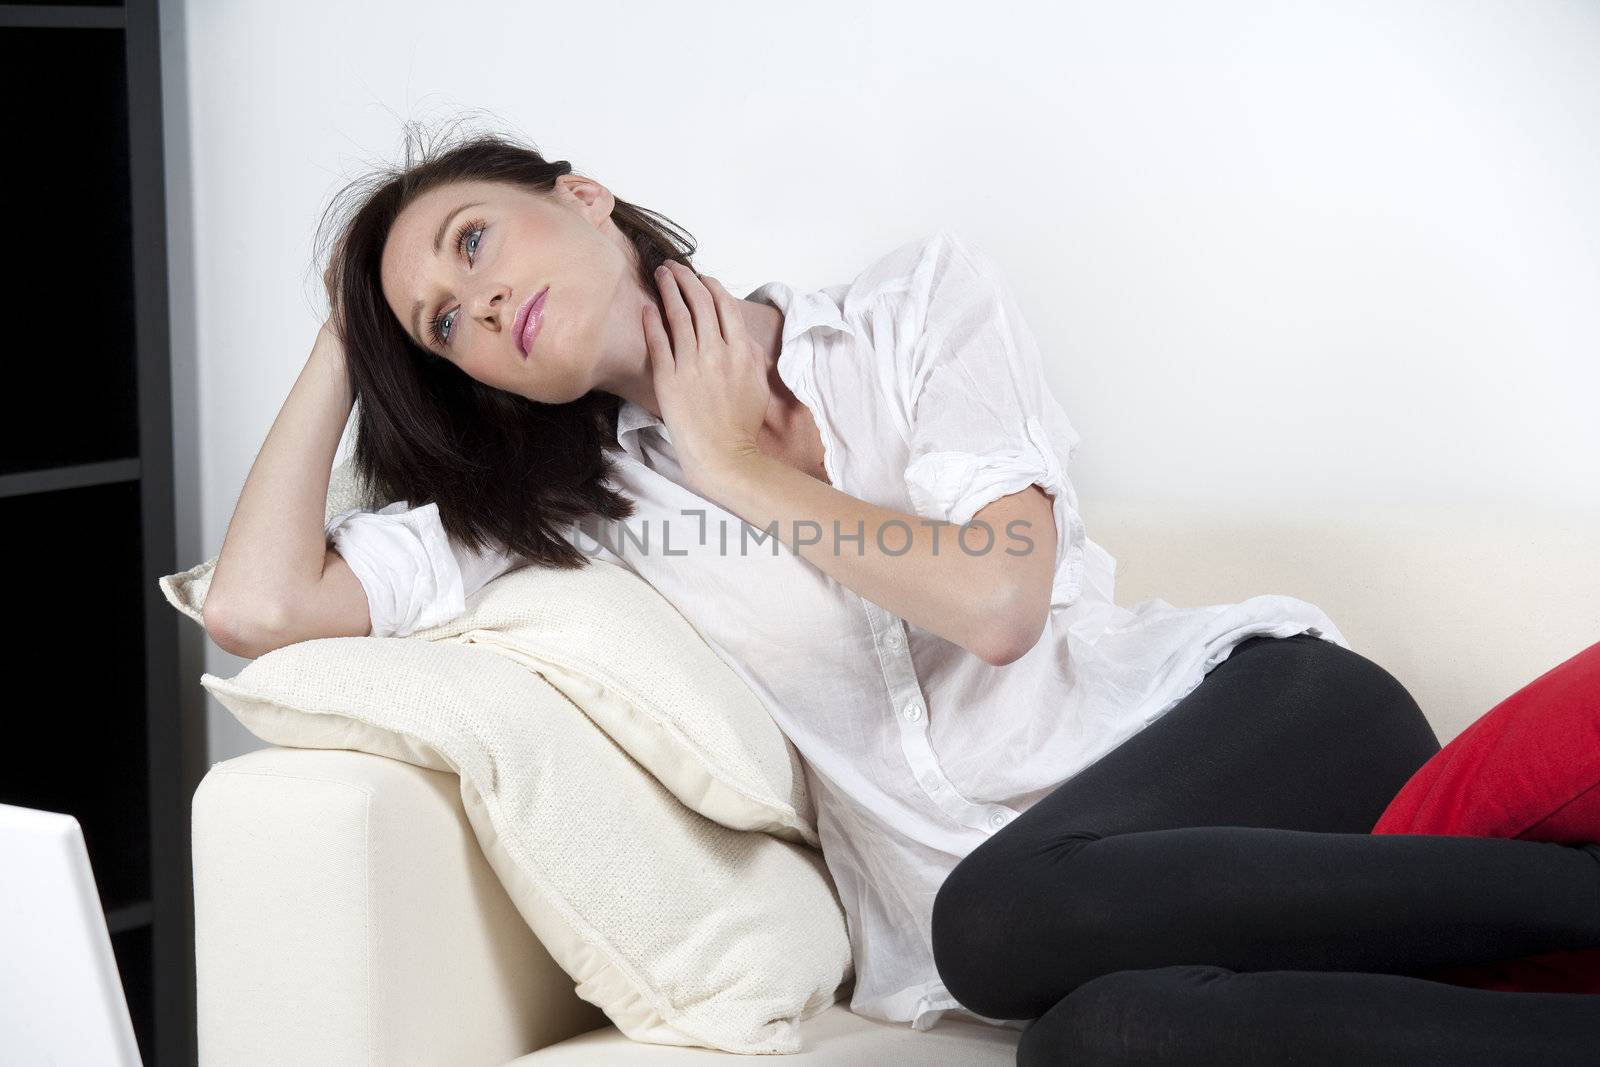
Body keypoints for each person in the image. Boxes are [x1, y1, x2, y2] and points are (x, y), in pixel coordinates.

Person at [203, 126, 1600, 1063]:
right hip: (1043, 930)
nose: (471, 301)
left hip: (1271, 734)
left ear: (580, 195)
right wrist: (346, 333)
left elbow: (998, 604)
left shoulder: (911, 311)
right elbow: (259, 609)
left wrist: (739, 465)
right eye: (438, 329)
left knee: (992, 927)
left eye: (468, 243)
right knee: (1092, 1040)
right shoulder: (559, 523)